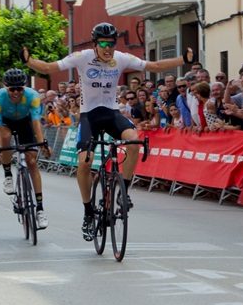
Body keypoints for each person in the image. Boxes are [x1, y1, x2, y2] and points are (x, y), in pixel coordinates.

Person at [24, 22, 195, 241]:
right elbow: (48, 68)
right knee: (85, 161)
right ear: (95, 44)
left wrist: (183, 60)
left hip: (111, 113)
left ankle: (123, 189)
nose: (108, 48)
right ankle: (88, 212)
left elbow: (155, 66)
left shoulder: (121, 58)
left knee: (134, 141)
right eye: (103, 43)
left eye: (111, 44)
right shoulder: (82, 57)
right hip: (89, 116)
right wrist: (28, 61)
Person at [0, 68, 49, 227]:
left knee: (31, 162)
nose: (16, 92)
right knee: (6, 137)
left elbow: (36, 122)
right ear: (5, 87)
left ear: (25, 86)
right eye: (12, 89)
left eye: (19, 88)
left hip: (25, 123)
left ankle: (40, 209)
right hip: (5, 123)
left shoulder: (32, 96)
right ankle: (8, 175)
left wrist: (42, 143)